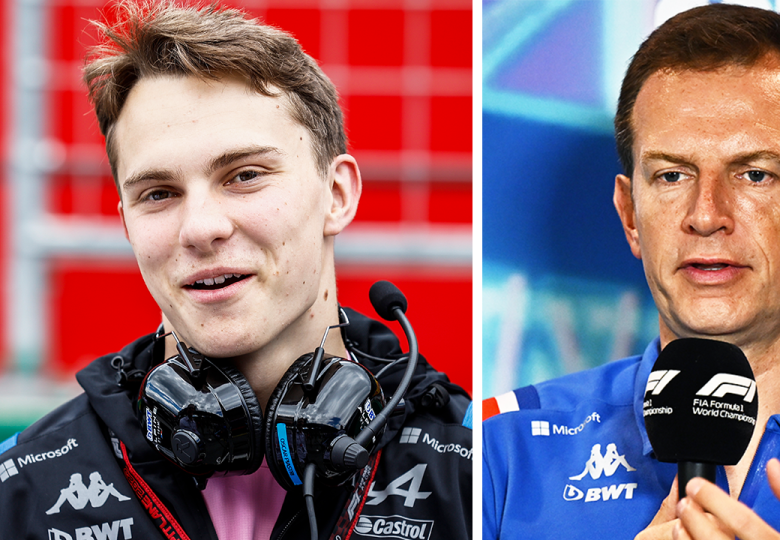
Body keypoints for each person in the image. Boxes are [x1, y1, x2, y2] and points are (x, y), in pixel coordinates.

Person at [482, 4, 780, 539]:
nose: (706, 215)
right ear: (630, 215)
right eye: (671, 175)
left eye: (755, 174)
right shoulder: (502, 449)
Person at [0, 3, 471, 539]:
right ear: (128, 225)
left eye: (244, 175)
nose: (200, 228)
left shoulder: (478, 471)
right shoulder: (19, 491)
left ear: (336, 195)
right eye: (158, 193)